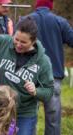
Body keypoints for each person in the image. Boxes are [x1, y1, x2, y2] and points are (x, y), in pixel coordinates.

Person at [0, 1, 54, 135]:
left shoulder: (43, 61)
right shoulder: (3, 43)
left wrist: (36, 91)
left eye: (23, 42)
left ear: (33, 41)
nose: (18, 44)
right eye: (16, 39)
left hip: (24, 115)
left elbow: (48, 91)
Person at [27, 0, 73, 134]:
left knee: (28, 116)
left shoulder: (26, 20)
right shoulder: (60, 22)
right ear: (50, 5)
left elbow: (14, 45)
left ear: (37, 4)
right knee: (53, 119)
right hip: (53, 77)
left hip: (30, 76)